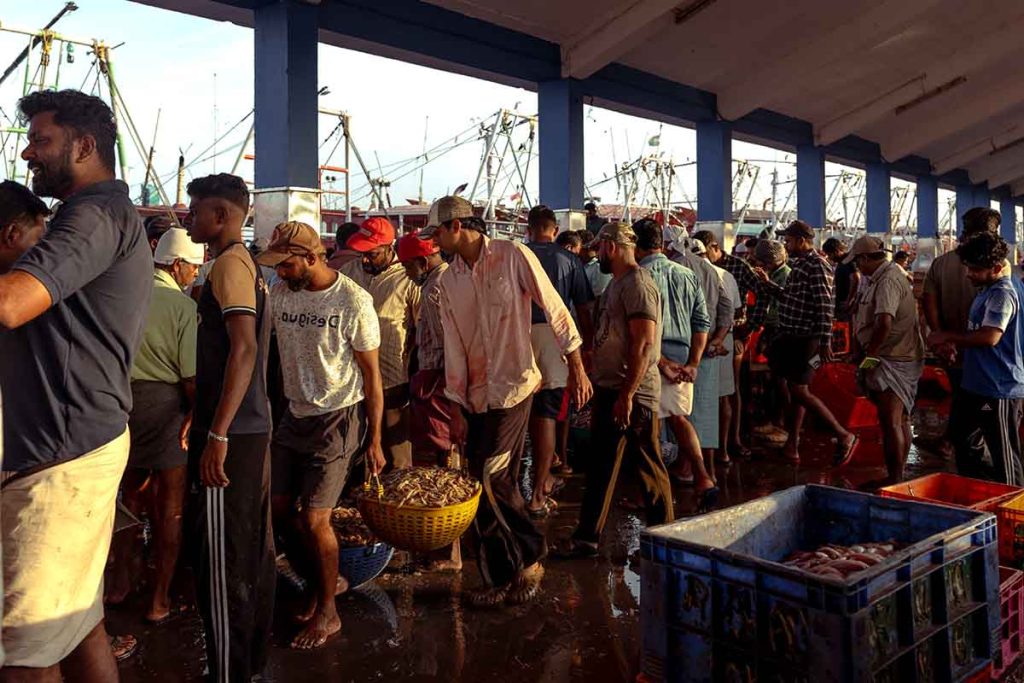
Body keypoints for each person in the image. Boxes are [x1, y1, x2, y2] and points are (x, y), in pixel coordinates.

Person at [0, 90, 152, 680]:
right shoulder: (91, 216)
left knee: (26, 650)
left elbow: (13, 303)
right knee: (77, 620)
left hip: (61, 460)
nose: (29, 153)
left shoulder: (94, 216)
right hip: (77, 445)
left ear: (84, 146)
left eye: (41, 140)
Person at [420, 195, 591, 607]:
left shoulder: (513, 255)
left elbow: (554, 307)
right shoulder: (448, 282)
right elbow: (455, 349)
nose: (434, 243)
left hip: (514, 387)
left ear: (457, 227)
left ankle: (531, 555)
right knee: (481, 487)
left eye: (437, 233)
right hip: (477, 396)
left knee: (493, 479)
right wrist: (457, 407)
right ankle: (500, 576)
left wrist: (577, 366)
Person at [259, 221, 385, 650]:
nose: (280, 272)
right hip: (293, 415)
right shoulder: (280, 294)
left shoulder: (353, 301)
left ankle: (329, 611)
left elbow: (372, 377)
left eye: (287, 264)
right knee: (277, 511)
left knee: (316, 519)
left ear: (312, 258)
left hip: (338, 419)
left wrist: (375, 440)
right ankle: (321, 581)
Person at [184, 173, 275, 681]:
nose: (189, 219)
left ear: (221, 216)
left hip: (233, 434)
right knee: (248, 553)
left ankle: (229, 671)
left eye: (196, 211)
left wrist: (216, 433)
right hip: (245, 428)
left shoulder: (229, 267)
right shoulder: (247, 266)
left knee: (223, 562)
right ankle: (248, 665)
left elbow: (243, 349)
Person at [106, 228, 203, 627]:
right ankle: (159, 598)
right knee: (170, 507)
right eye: (193, 269)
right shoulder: (180, 308)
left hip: (120, 406)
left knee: (127, 500)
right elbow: (191, 377)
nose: (194, 276)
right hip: (166, 410)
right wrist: (197, 416)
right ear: (177, 265)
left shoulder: (122, 295)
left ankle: (120, 583)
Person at [559, 222, 674, 557]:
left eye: (600, 249)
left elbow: (643, 344)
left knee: (648, 468)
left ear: (611, 246)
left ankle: (663, 545)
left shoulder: (638, 283)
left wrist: (626, 395)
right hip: (613, 388)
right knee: (601, 465)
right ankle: (587, 537)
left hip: (632, 393)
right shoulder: (618, 284)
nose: (598, 255)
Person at [753, 220, 858, 465]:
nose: (786, 246)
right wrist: (768, 284)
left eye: (788, 241)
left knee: (799, 390)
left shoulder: (817, 266)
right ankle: (792, 445)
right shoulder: (801, 265)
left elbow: (824, 306)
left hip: (807, 340)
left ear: (801, 240)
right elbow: (790, 298)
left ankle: (843, 435)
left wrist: (824, 341)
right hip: (795, 337)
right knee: (798, 389)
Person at [632, 219, 717, 511]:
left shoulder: (639, 275)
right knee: (680, 418)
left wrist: (661, 361)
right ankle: (703, 477)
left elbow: (641, 334)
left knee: (648, 424)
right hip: (682, 356)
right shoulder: (686, 274)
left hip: (652, 356)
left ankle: (651, 492)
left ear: (636, 245)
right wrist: (693, 362)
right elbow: (701, 322)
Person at [928, 232, 1024, 486]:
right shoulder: (986, 289)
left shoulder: (1002, 293)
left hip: (998, 387)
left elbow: (990, 336)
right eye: (968, 267)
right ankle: (984, 489)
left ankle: (1013, 508)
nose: (968, 274)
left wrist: (947, 336)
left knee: (1004, 453)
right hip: (977, 383)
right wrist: (954, 345)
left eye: (975, 269)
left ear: (995, 267)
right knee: (964, 439)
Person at [397, 232, 463, 570]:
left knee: (442, 467)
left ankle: (447, 553)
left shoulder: (437, 288)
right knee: (439, 463)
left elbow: (450, 345)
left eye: (408, 266)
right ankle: (440, 546)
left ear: (422, 262)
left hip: (440, 383)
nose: (406, 272)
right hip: (436, 381)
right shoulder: (441, 281)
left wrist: (450, 398)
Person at [524, 205, 594, 517]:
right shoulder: (569, 260)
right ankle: (538, 492)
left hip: (517, 337)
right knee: (547, 414)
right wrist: (585, 349)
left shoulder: (518, 255)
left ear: (529, 229)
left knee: (516, 415)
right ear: (554, 230)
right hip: (555, 337)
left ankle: (511, 489)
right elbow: (584, 308)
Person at [342, 217, 420, 470]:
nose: (365, 260)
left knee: (398, 455)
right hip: (351, 378)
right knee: (357, 450)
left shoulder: (407, 279)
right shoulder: (349, 272)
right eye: (361, 253)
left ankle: (398, 500)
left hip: (392, 378)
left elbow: (422, 330)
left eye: (372, 254)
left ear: (390, 248)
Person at [922, 207, 999, 457]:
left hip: (953, 350)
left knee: (963, 398)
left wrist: (941, 337)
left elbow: (929, 301)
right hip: (988, 352)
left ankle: (952, 441)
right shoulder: (995, 266)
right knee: (987, 410)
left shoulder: (941, 263)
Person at [847, 236, 924, 485]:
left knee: (891, 420)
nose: (857, 267)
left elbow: (884, 322)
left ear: (865, 259)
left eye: (858, 262)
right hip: (892, 355)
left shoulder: (888, 280)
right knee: (900, 419)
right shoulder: (880, 278)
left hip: (892, 359)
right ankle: (897, 477)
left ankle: (895, 479)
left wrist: (869, 356)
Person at [670, 236, 733, 479]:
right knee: (705, 411)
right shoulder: (712, 270)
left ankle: (688, 468)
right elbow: (727, 309)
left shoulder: (675, 268)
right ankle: (708, 470)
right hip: (708, 350)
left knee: (681, 412)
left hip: (683, 349)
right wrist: (718, 339)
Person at [693, 230, 753, 461]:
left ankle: (700, 455)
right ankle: (724, 451)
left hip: (700, 342)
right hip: (723, 339)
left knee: (700, 399)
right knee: (724, 395)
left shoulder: (689, 273)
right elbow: (733, 310)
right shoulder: (725, 275)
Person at [748, 239, 791, 439]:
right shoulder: (774, 273)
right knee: (771, 378)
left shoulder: (785, 275)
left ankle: (780, 422)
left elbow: (784, 299)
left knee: (780, 379)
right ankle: (775, 420)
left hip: (780, 328)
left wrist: (767, 283)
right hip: (772, 327)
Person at [823, 237, 859, 320]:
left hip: (845, 303)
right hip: (840, 302)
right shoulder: (841, 263)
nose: (829, 257)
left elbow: (856, 279)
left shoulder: (848, 261)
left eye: (829, 254)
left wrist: (849, 301)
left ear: (836, 251)